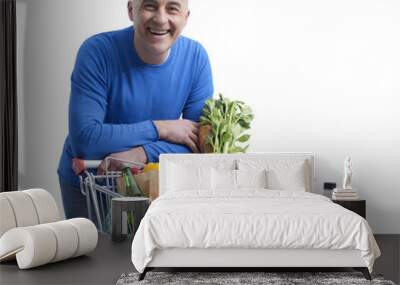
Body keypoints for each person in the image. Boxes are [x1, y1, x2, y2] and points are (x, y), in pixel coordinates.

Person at [57, 0, 213, 219]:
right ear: (131, 10)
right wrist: (160, 128)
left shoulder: (196, 59)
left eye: (172, 8)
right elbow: (85, 140)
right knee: (97, 252)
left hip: (150, 185)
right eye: (150, 6)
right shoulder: (97, 52)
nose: (160, 18)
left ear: (186, 17)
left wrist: (141, 154)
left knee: (148, 253)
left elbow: (199, 147)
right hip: (91, 183)